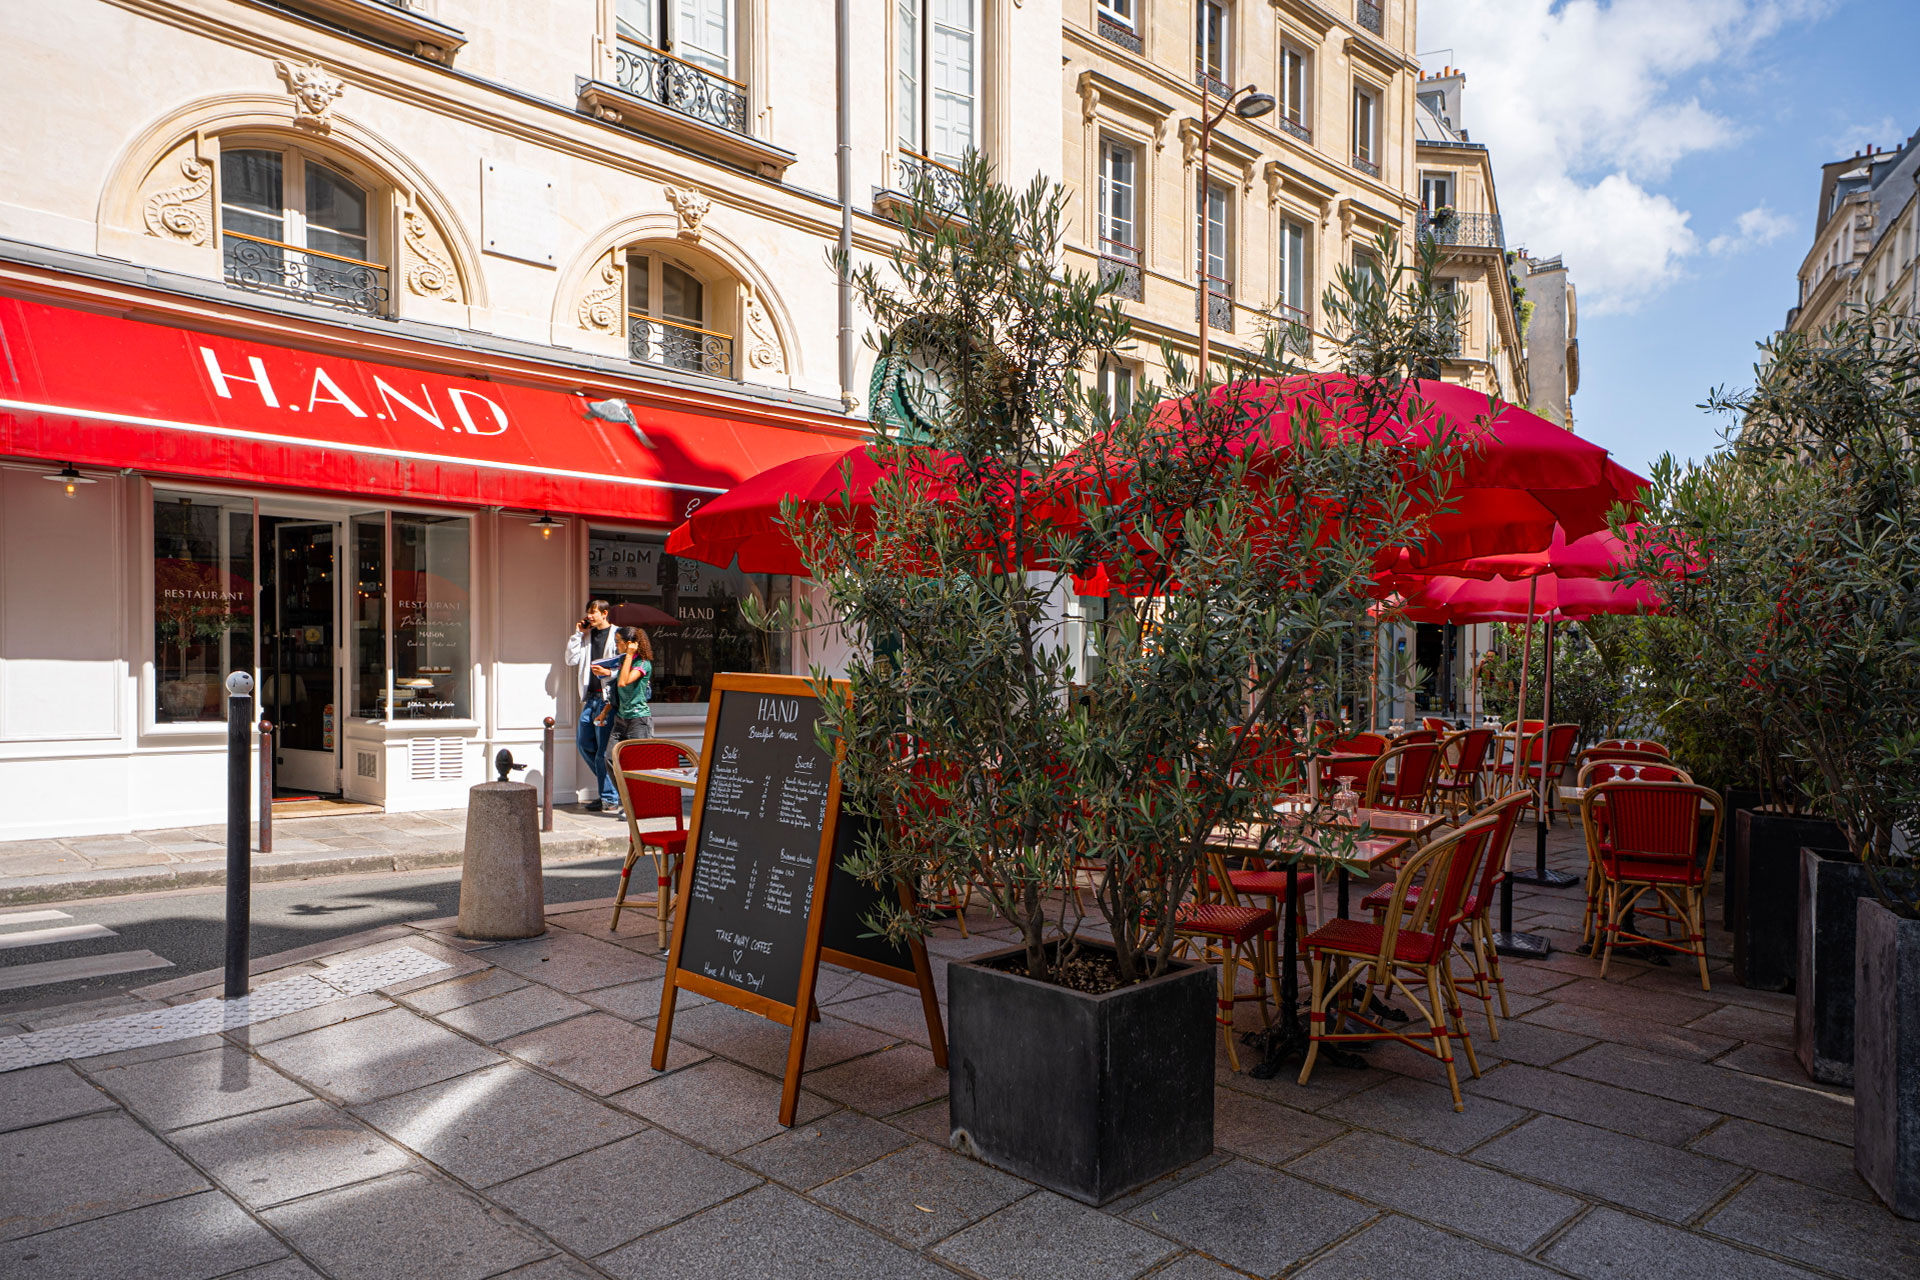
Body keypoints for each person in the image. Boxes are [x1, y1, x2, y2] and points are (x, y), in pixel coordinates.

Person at [565, 600, 620, 813]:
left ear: (605, 613)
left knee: (601, 752)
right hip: (590, 699)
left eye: (593, 612)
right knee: (583, 743)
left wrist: (610, 674)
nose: (589, 616)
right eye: (588, 612)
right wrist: (577, 634)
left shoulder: (617, 635)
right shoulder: (586, 636)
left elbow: (624, 664)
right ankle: (610, 789)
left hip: (607, 699)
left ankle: (608, 796)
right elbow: (571, 660)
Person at [609, 626, 654, 746]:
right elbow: (618, 689)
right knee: (611, 757)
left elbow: (623, 682)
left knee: (638, 760)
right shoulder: (623, 660)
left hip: (638, 719)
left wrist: (629, 654)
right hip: (621, 718)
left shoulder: (643, 663)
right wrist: (604, 711)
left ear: (629, 644)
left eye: (618, 642)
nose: (616, 645)